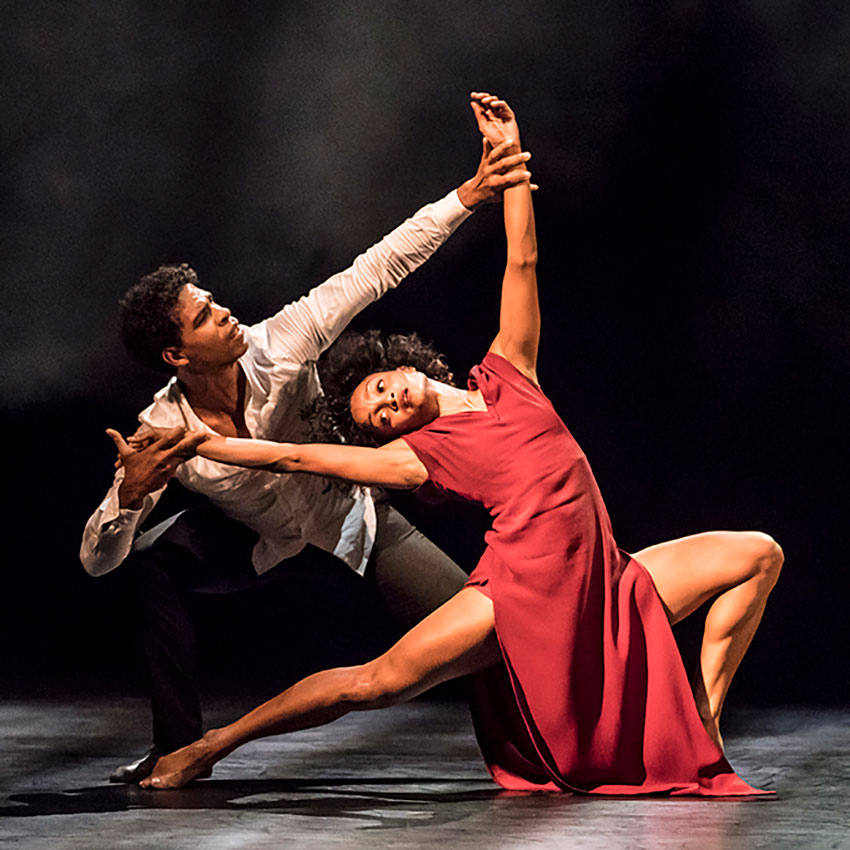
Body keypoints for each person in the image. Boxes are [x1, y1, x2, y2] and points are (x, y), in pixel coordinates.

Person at [118, 93, 782, 795]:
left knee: (757, 554)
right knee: (376, 683)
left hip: (607, 583)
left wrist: (510, 163)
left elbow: (522, 260)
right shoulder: (417, 457)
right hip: (520, 593)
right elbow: (293, 456)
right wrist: (198, 445)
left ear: (404, 365)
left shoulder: (510, 370)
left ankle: (704, 729)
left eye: (381, 389)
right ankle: (212, 745)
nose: (388, 404)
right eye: (379, 418)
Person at [81, 119, 536, 783]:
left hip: (353, 523)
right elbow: (97, 562)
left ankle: (530, 757)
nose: (227, 314)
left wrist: (466, 196)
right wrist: (126, 498)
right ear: (177, 355)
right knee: (151, 560)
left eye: (214, 303)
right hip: (257, 543)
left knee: (481, 632)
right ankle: (177, 747)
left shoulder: (282, 341)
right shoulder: (161, 426)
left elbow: (375, 269)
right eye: (207, 317)